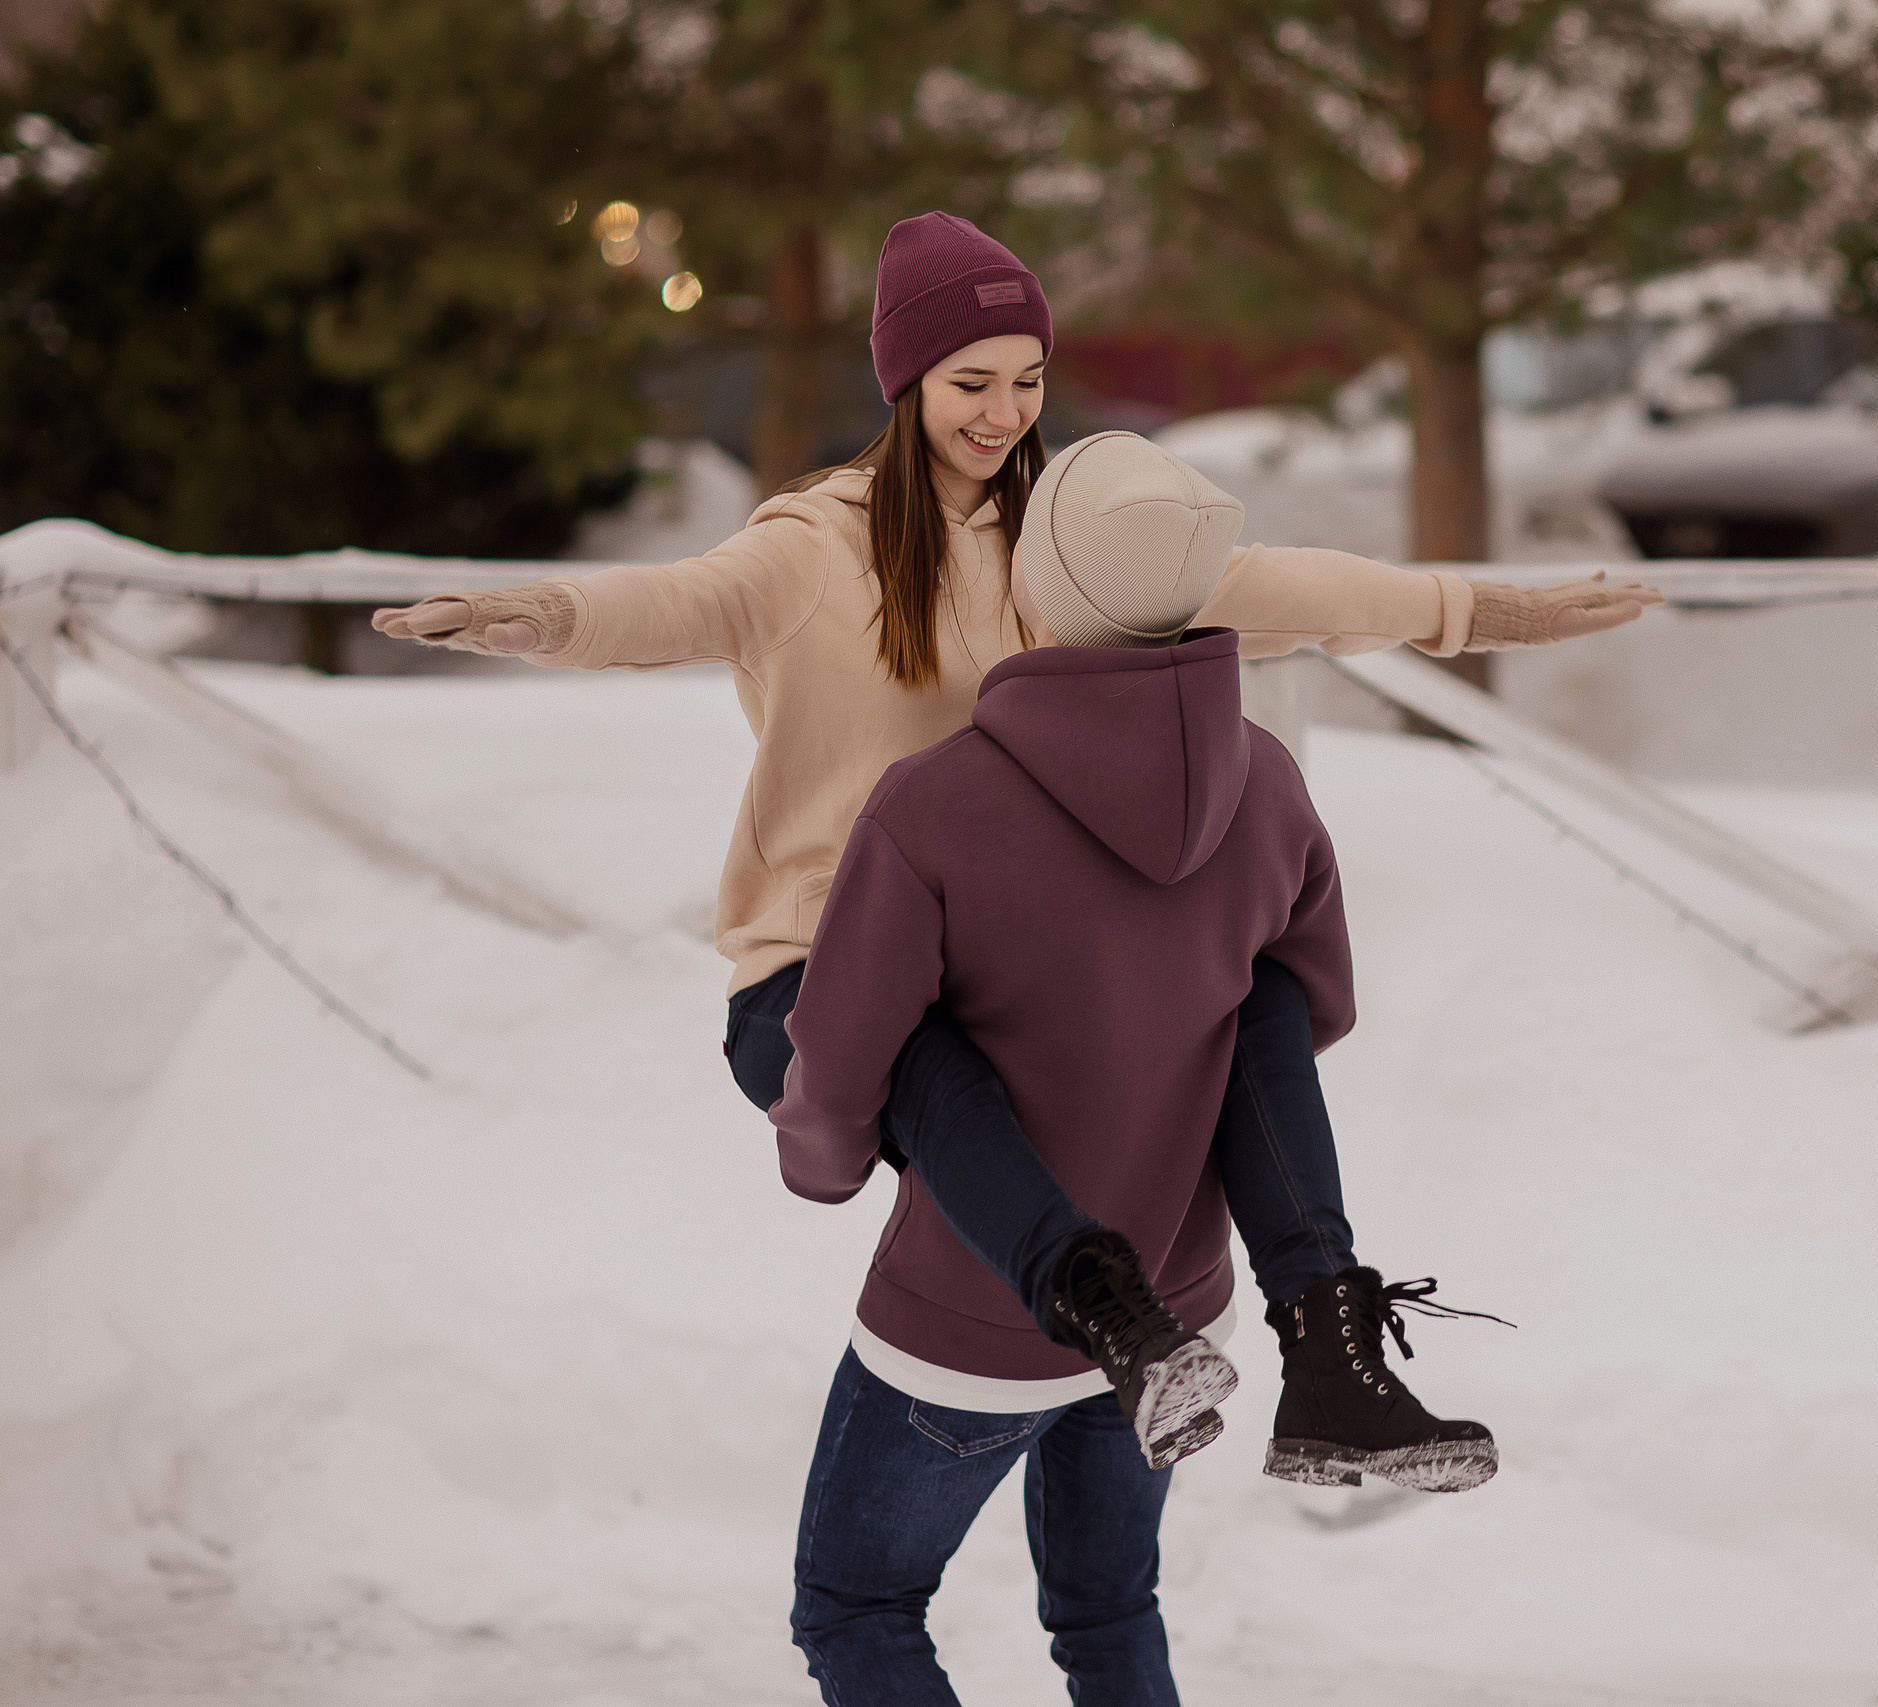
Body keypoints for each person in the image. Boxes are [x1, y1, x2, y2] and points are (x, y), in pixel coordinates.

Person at [368, 210, 1659, 1475]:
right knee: (914, 1043)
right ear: (905, 380)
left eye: (1029, 381)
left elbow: (1287, 584)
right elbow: (679, 600)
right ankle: (1113, 1314)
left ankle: (1327, 1344)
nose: (1003, 410)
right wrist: (530, 611)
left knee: (1253, 993)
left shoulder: (1066, 545)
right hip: (825, 965)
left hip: (1027, 967)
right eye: (970, 381)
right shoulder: (817, 545)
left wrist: (1498, 609)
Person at [773, 431, 1431, 1701]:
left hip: (971, 1315)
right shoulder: (1271, 785)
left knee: (856, 1607)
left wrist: (819, 1162)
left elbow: (846, 1053)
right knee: (1107, 1605)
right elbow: (1309, 1010)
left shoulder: (933, 805)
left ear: (1036, 580)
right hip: (1180, 1301)